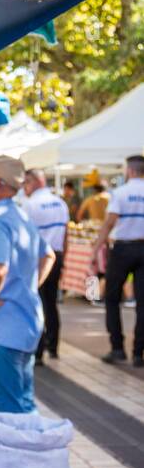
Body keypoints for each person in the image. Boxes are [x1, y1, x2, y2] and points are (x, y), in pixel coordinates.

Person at [0, 157, 57, 413]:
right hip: (21, 320)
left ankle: (21, 453)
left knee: (9, 409)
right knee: (22, 403)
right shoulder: (18, 214)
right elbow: (47, 255)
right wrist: (26, 287)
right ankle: (30, 451)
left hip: (0, 326)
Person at [93, 155, 144, 366]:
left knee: (112, 298)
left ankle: (117, 348)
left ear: (130, 171)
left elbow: (109, 223)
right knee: (143, 302)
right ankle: (139, 353)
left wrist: (95, 248)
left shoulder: (121, 193)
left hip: (122, 249)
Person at [21, 167, 69, 364]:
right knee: (51, 303)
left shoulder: (30, 204)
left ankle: (38, 351)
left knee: (36, 303)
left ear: (33, 182)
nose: (24, 187)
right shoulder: (60, 203)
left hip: (37, 257)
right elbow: (66, 235)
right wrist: (62, 258)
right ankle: (53, 346)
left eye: (26, 183)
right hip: (56, 255)